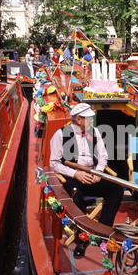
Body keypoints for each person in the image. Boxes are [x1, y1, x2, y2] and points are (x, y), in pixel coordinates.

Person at [50, 103, 124, 258]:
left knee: (117, 189)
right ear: (78, 119)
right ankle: (82, 238)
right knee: (76, 196)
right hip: (73, 178)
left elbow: (103, 157)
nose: (92, 121)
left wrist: (99, 171)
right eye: (89, 118)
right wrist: (75, 174)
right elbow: (54, 163)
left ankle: (102, 231)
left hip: (92, 174)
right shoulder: (60, 134)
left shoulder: (94, 132)